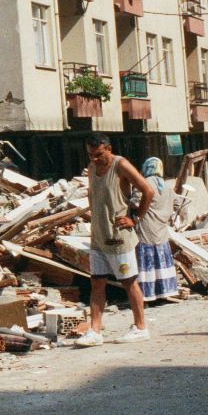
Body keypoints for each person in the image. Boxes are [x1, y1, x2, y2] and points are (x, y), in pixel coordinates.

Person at [75, 132, 155, 348]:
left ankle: (140, 328)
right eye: (90, 154)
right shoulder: (92, 168)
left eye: (98, 154)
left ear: (108, 149)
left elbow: (147, 190)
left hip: (119, 236)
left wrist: (135, 218)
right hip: (99, 236)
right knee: (97, 283)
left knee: (128, 282)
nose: (94, 158)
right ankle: (95, 331)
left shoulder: (121, 165)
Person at [134, 157, 179, 303]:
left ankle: (147, 295)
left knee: (146, 262)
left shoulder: (143, 184)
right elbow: (178, 203)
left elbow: (135, 203)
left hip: (146, 227)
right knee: (161, 261)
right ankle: (163, 292)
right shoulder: (166, 186)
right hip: (161, 229)